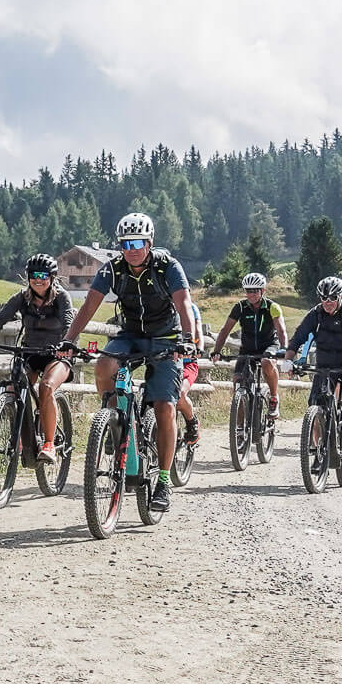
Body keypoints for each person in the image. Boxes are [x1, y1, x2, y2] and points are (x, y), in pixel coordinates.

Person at [60, 212, 193, 515]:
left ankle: (162, 481)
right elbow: (88, 306)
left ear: (150, 242)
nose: (131, 249)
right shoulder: (113, 269)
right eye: (125, 243)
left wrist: (188, 340)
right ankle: (114, 422)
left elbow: (184, 303)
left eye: (138, 242)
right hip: (130, 334)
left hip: (166, 337)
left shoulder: (167, 266)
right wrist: (69, 339)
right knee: (104, 365)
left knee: (164, 407)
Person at [0, 254, 75, 463]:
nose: (38, 280)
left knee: (46, 388)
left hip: (57, 355)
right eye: (34, 275)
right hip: (30, 353)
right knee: (12, 388)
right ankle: (18, 435)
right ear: (28, 277)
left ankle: (49, 445)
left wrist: (67, 346)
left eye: (43, 275)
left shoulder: (62, 297)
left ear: (52, 277)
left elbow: (68, 323)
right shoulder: (22, 298)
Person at [284, 276, 342, 445]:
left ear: (341, 297)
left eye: (333, 297)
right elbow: (297, 339)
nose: (328, 302)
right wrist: (288, 360)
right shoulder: (315, 314)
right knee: (316, 403)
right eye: (324, 298)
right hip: (324, 365)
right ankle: (317, 449)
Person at [210, 272, 288, 420]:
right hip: (247, 348)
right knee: (237, 382)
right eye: (248, 290)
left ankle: (273, 397)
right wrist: (216, 351)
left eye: (255, 290)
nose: (251, 294)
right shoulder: (240, 307)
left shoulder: (272, 307)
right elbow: (225, 330)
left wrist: (284, 348)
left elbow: (281, 330)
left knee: (267, 362)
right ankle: (239, 428)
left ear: (262, 291)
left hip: (269, 345)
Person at [175, 287, 205, 449]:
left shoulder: (191, 308)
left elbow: (198, 331)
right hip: (165, 361)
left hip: (187, 363)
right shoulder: (160, 306)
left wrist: (197, 348)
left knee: (179, 394)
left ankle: (192, 422)